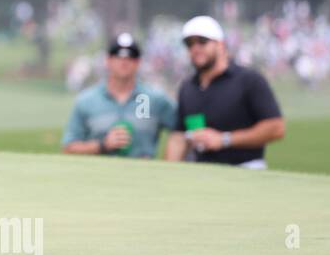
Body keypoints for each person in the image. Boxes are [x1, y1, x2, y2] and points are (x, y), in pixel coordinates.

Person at [165, 15, 285, 168]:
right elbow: (179, 136)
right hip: (201, 172)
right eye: (189, 44)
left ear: (220, 45)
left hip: (246, 169)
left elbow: (276, 128)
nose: (195, 48)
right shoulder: (188, 87)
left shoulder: (249, 80)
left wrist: (224, 139)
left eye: (202, 41)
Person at [61, 32, 176, 158]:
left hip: (143, 175)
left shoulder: (155, 100)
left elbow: (181, 130)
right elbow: (68, 148)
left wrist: (170, 163)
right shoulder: (86, 101)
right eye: (118, 56)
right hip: (99, 175)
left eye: (131, 57)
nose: (124, 61)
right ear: (108, 60)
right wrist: (102, 146)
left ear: (138, 62)